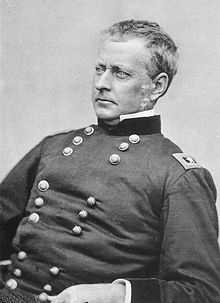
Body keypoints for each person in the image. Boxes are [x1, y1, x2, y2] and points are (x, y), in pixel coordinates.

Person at [0, 19, 220, 303]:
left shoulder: (177, 175)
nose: (102, 84)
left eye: (121, 73)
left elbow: (202, 292)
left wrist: (115, 294)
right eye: (100, 69)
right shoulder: (54, 147)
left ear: (156, 87)